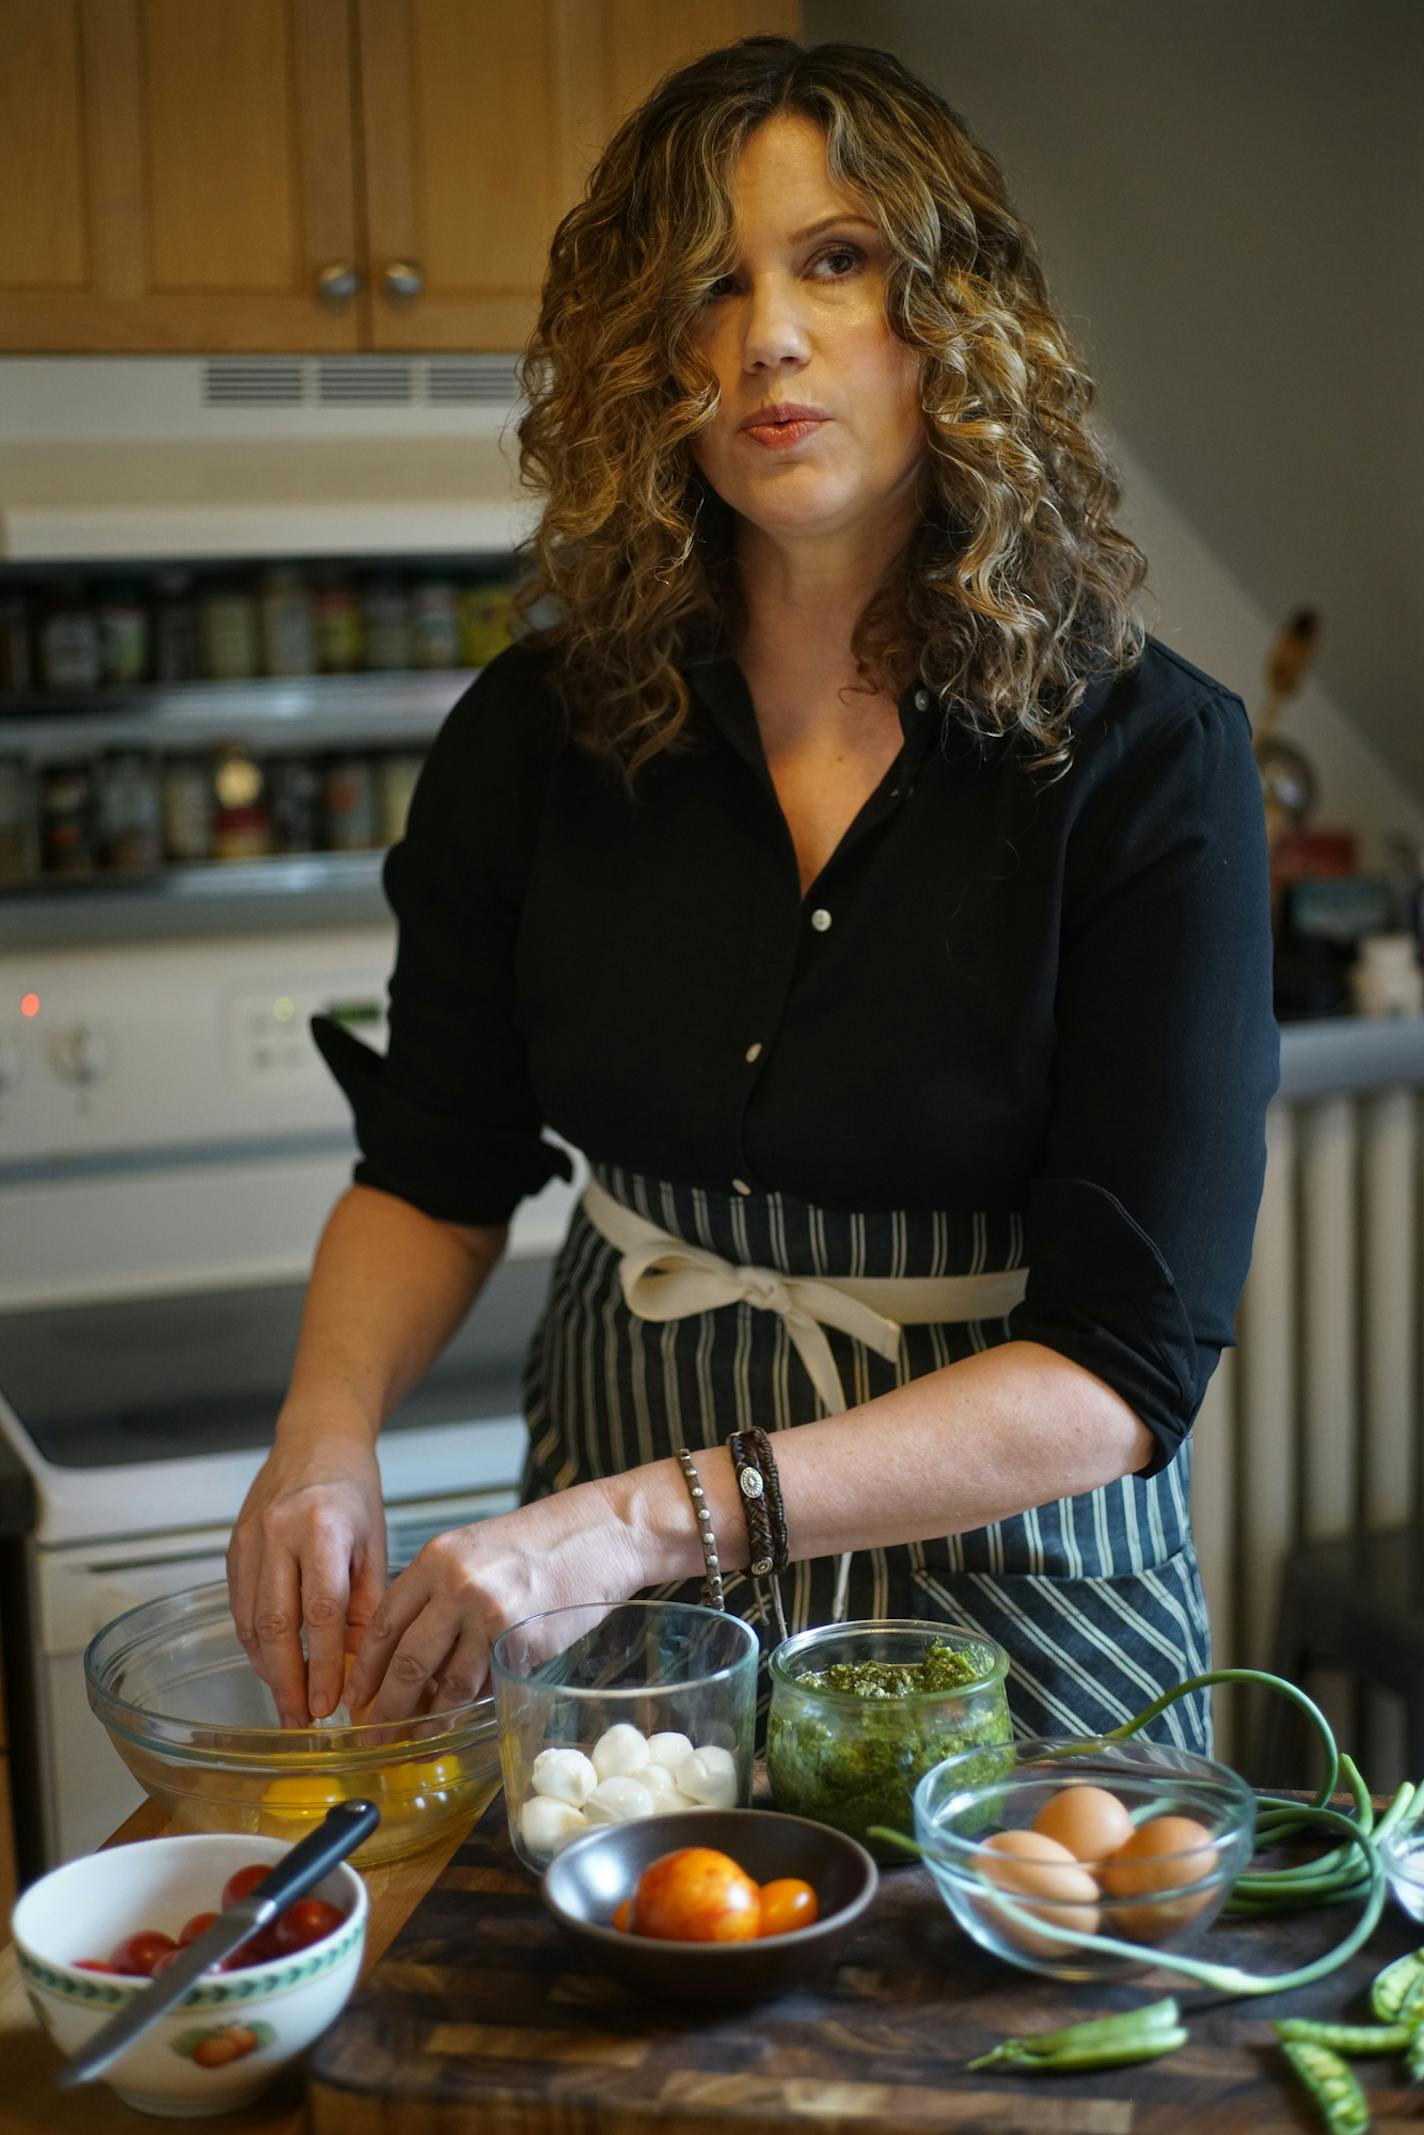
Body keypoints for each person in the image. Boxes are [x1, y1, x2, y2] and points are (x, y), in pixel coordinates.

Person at [226, 36, 1278, 1750]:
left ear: (954, 317)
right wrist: (321, 1438)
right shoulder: (535, 735)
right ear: (649, 357)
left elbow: (1122, 1368)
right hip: (630, 1632)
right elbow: (433, 1169)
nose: (767, 336)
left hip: (1015, 1616)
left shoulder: (1150, 760)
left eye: (836, 262)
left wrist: (641, 1517)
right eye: (709, 284)